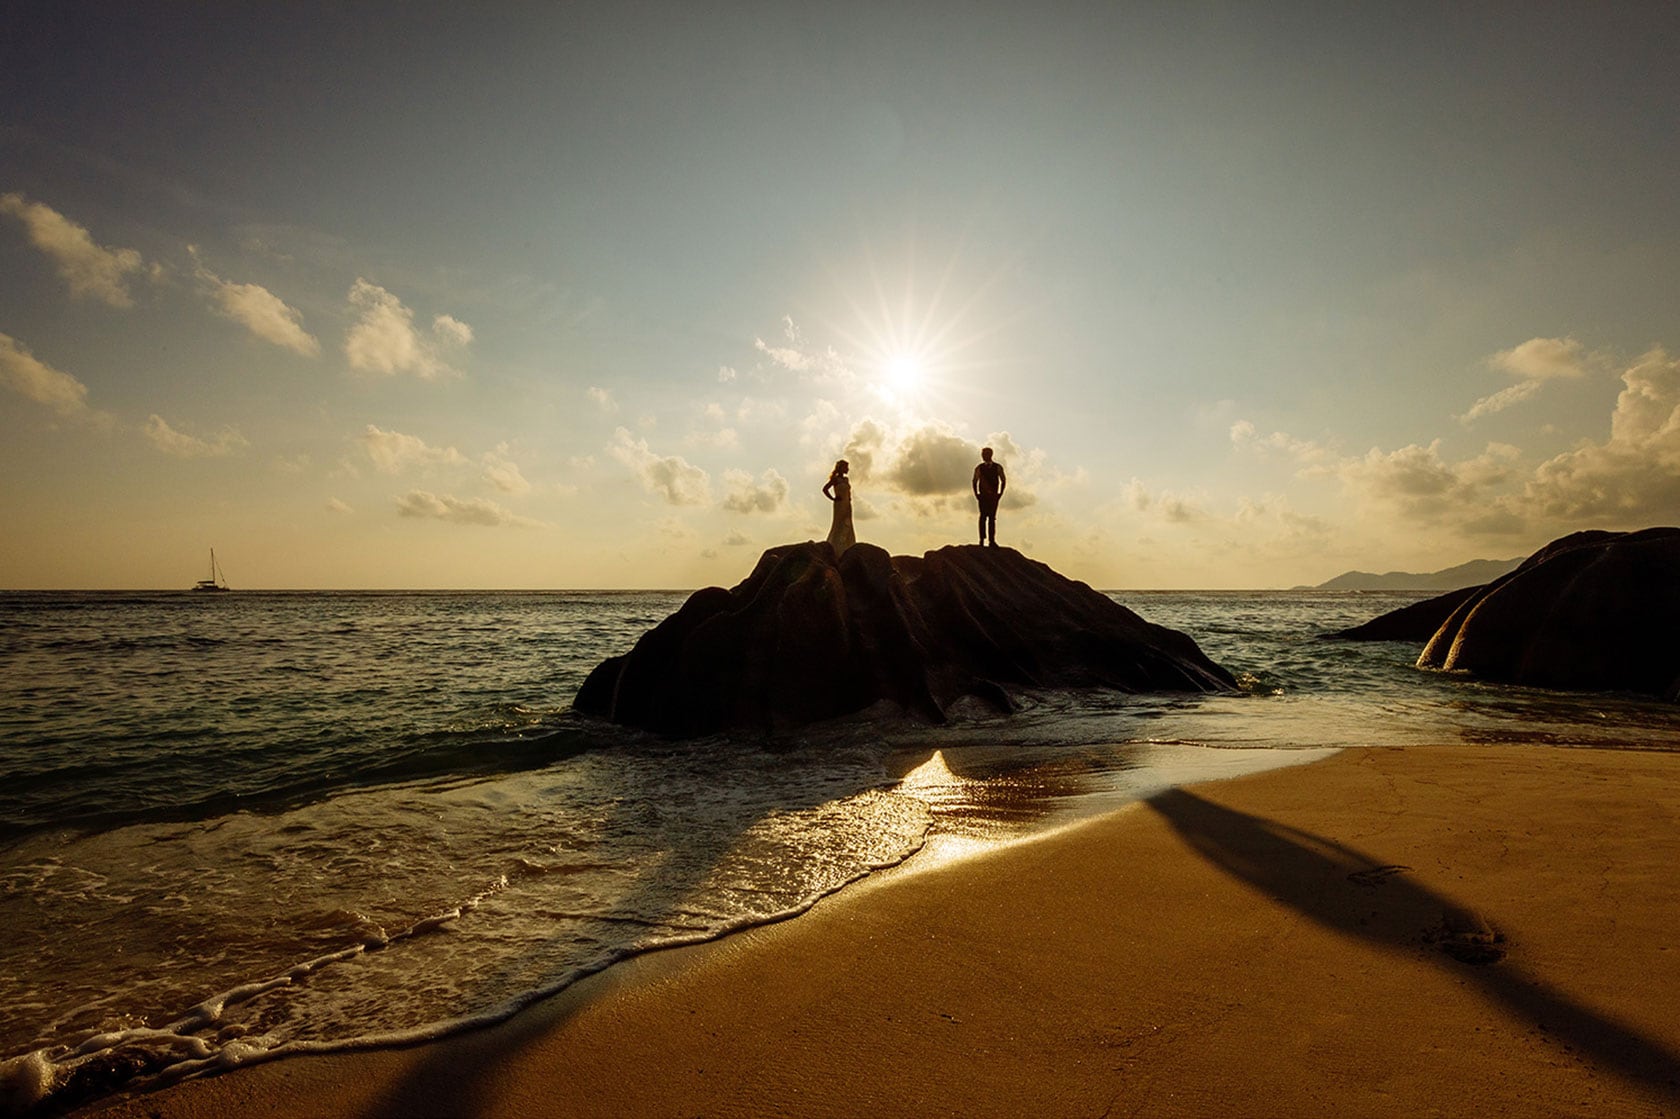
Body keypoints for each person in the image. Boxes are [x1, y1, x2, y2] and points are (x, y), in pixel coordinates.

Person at [972, 446, 1006, 546]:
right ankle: (982, 540)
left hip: (993, 496)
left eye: (985, 454)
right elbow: (974, 481)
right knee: (983, 517)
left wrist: (1000, 494)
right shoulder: (979, 468)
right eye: (982, 455)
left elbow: (1003, 480)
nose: (983, 456)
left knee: (992, 518)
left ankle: (991, 540)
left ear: (990, 455)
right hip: (983, 496)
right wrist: (977, 495)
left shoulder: (998, 467)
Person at [823, 459, 856, 556]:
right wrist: (833, 498)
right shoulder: (835, 479)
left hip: (847, 504)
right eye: (846, 467)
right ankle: (835, 547)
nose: (847, 469)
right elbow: (825, 489)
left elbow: (848, 492)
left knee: (847, 523)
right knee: (839, 524)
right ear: (841, 468)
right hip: (839, 504)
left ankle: (848, 545)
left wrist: (849, 499)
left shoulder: (846, 479)